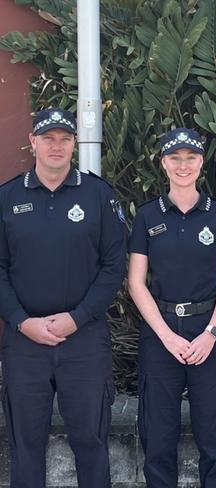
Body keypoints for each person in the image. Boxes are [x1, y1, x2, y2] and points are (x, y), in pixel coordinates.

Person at [0, 108, 126, 487]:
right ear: (33, 142)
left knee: (90, 442)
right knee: (26, 446)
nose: (56, 146)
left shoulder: (99, 195)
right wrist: (21, 321)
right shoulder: (7, 197)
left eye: (64, 138)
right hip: (24, 342)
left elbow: (113, 267)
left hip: (84, 339)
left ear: (74, 144)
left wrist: (78, 316)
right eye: (48, 138)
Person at [128, 128, 216, 487]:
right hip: (161, 336)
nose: (183, 165)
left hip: (209, 333)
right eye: (174, 158)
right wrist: (166, 336)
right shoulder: (147, 216)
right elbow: (136, 282)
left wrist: (211, 333)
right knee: (158, 440)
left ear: (201, 163)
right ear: (163, 163)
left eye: (190, 158)